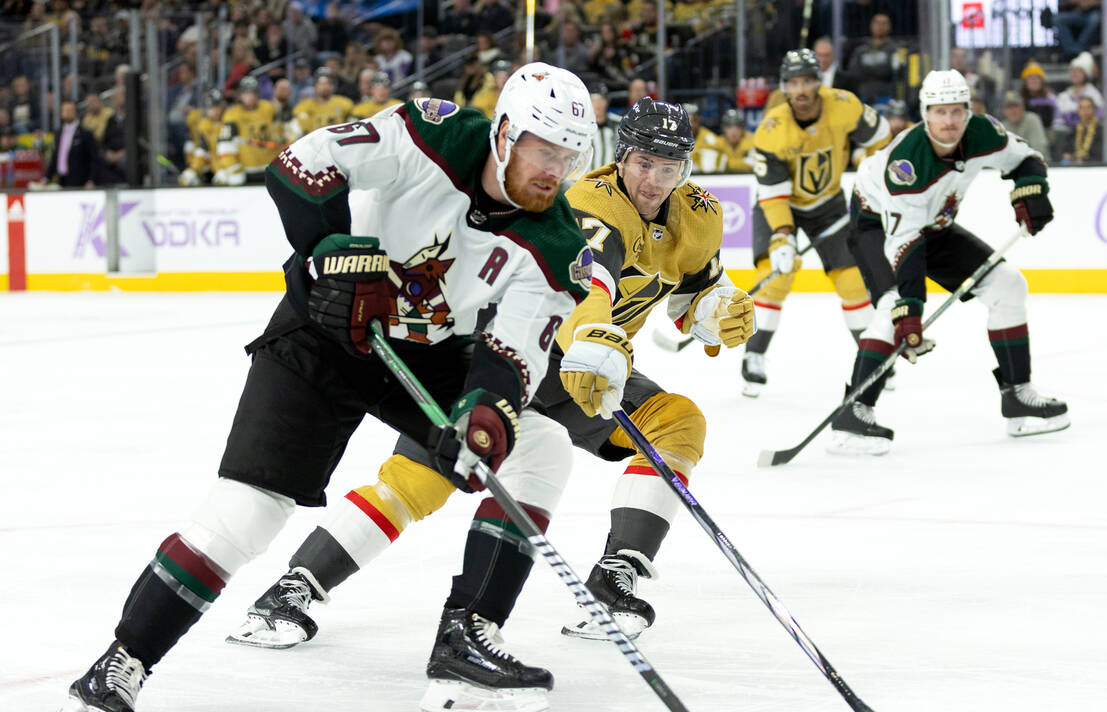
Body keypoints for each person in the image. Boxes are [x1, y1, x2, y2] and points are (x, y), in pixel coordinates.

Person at [47, 62, 598, 712]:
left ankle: (465, 645)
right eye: (547, 151)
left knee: (537, 444)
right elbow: (301, 165)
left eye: (570, 157)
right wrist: (331, 249)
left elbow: (511, 355)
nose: (558, 170)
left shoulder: (558, 246)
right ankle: (119, 665)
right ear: (507, 135)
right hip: (320, 334)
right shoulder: (431, 134)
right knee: (245, 514)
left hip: (424, 357)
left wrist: (482, 417)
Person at [226, 98, 754, 671]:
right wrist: (596, 336)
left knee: (677, 423)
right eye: (645, 162)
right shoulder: (590, 203)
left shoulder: (698, 215)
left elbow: (691, 288)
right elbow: (594, 279)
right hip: (517, 354)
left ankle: (616, 575)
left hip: (599, 369)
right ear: (620, 156)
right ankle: (296, 586)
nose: (654, 179)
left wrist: (714, 308)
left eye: (669, 167)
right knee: (418, 480)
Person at [827, 69, 1068, 455]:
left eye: (957, 111)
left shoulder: (982, 132)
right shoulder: (905, 165)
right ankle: (854, 413)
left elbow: (1026, 157)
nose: (949, 122)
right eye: (940, 112)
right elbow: (905, 248)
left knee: (1008, 286)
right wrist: (911, 313)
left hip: (933, 223)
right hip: (877, 225)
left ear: (968, 111)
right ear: (925, 114)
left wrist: (1031, 189)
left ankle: (1018, 396)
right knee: (893, 304)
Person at [741, 49, 890, 398]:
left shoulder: (845, 105)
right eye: (794, 83)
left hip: (829, 204)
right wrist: (782, 236)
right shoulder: (771, 130)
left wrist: (873, 172)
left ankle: (874, 357)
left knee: (854, 282)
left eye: (807, 81)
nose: (802, 89)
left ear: (818, 82)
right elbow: (774, 195)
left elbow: (882, 136)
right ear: (784, 87)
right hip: (779, 206)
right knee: (773, 279)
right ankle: (753, 356)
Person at [215, 76, 283, 186]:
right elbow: (225, 146)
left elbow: (280, 136)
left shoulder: (269, 108)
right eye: (246, 93)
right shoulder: (232, 115)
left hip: (271, 169)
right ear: (240, 95)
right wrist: (234, 169)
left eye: (252, 93)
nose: (250, 97)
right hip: (247, 171)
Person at [45, 99, 101, 188]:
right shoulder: (58, 133)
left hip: (79, 181)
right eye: (64, 110)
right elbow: (56, 156)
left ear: (76, 112)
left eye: (69, 110)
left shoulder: (85, 133)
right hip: (61, 179)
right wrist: (47, 178)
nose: (66, 113)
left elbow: (94, 159)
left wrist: (91, 179)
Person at [288, 67, 354, 139]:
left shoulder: (343, 103)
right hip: (314, 143)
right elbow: (298, 130)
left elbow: (353, 125)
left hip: (338, 141)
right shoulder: (305, 106)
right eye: (321, 84)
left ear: (332, 86)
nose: (324, 87)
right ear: (315, 86)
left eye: (327, 83)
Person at [1001, 90, 1050, 158]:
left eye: (1015, 106)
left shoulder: (1032, 120)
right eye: (1009, 107)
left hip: (1039, 164)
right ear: (1004, 111)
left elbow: (1039, 149)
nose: (1013, 111)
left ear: (1022, 107)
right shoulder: (1002, 127)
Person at [1063, 96, 1102, 163]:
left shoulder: (1101, 130)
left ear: (1094, 109)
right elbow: (1067, 151)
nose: (1085, 111)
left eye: (1088, 107)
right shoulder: (1073, 130)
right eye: (1082, 108)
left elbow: (1099, 154)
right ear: (1078, 110)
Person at [716, 108, 754, 172]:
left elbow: (754, 166)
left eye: (737, 127)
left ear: (742, 129)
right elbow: (714, 166)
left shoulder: (751, 141)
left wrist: (726, 163)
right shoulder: (718, 142)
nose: (733, 132)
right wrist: (743, 163)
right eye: (729, 127)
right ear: (724, 129)